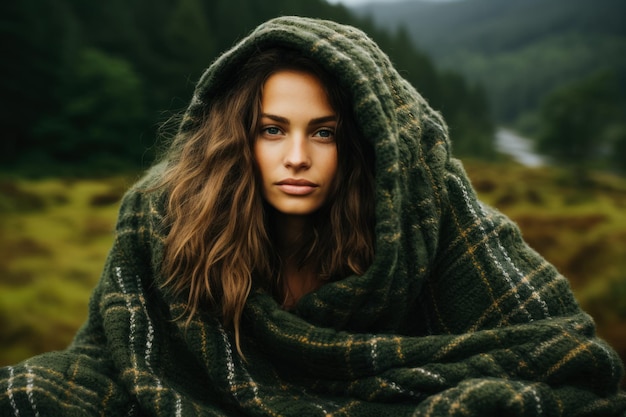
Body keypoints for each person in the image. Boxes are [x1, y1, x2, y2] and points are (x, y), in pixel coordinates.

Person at [1, 16, 625, 417]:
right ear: (236, 137)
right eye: (272, 130)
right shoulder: (162, 220)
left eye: (323, 134)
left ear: (362, 141)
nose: (296, 158)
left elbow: (567, 358)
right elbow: (107, 363)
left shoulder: (432, 219)